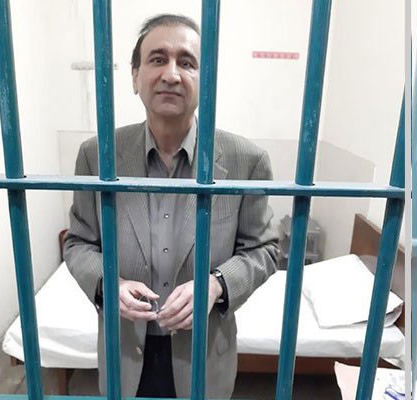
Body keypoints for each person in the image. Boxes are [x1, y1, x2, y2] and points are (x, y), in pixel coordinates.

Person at [63, 14, 279, 398]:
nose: (172, 74)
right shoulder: (98, 156)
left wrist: (216, 285)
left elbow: (265, 249)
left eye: (187, 62)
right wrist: (108, 283)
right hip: (123, 352)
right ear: (135, 76)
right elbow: (78, 242)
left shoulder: (246, 161)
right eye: (158, 59)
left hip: (203, 356)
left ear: (205, 82)